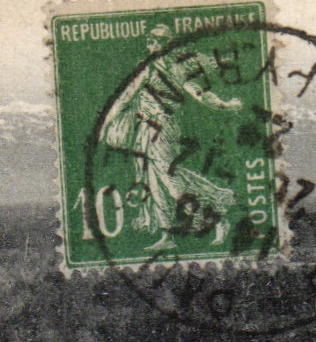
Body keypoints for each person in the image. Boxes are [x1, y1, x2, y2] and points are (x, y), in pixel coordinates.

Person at [100, 23, 243, 251]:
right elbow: (125, 97)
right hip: (144, 130)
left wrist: (224, 105)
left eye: (158, 40)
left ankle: (217, 212)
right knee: (154, 182)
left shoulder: (173, 69)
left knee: (170, 179)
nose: (152, 44)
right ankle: (168, 236)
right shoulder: (147, 67)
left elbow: (199, 93)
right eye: (150, 40)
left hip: (162, 128)